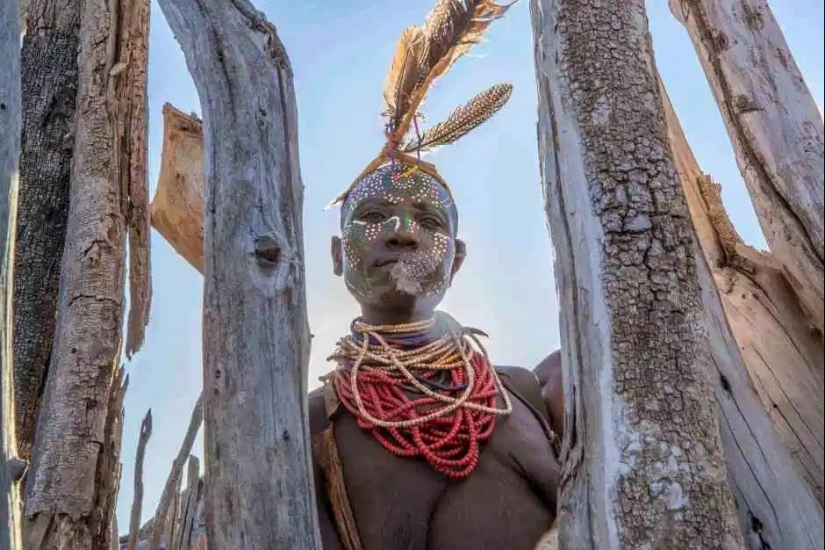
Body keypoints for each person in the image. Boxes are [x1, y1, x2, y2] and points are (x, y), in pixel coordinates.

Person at [309, 2, 564, 549]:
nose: (403, 233)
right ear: (337, 255)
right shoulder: (310, 426)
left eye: (428, 222)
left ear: (458, 259)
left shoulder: (526, 390)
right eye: (373, 218)